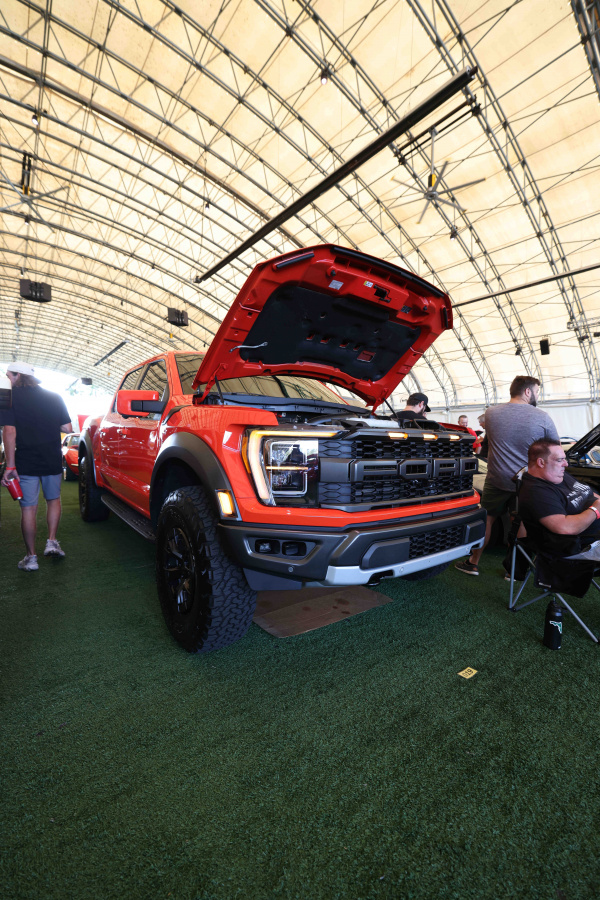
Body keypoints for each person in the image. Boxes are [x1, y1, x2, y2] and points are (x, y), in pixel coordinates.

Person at [455, 375, 559, 576]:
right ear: (527, 391)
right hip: (526, 481)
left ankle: (473, 563)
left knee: (488, 518)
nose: (538, 395)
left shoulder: (491, 413)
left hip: (496, 478)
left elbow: (489, 443)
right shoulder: (542, 416)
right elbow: (555, 448)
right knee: (519, 522)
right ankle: (513, 571)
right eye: (537, 391)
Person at [0, 361, 73, 571]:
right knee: (53, 500)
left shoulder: (10, 399)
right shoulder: (54, 397)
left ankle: (31, 558)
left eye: (9, 376)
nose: (7, 380)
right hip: (51, 459)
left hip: (26, 461)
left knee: (29, 509)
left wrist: (10, 467)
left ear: (17, 376)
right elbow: (67, 427)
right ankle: (52, 542)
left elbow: (9, 431)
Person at [518, 438, 600, 560]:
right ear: (541, 462)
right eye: (559, 460)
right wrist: (596, 509)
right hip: (583, 548)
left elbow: (588, 493)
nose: (565, 464)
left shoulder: (558, 475)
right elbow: (565, 527)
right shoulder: (536, 491)